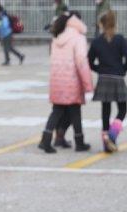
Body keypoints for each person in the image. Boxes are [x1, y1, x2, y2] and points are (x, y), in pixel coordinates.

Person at [39, 14, 93, 153]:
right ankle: (79, 142)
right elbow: (81, 62)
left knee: (56, 111)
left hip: (57, 80)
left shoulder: (57, 37)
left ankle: (45, 140)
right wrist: (88, 84)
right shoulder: (78, 38)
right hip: (72, 80)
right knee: (75, 112)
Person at [88, 10, 127, 153]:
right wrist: (122, 70)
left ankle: (105, 139)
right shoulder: (120, 39)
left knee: (105, 110)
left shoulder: (96, 41)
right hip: (118, 77)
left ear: (101, 24)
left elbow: (89, 61)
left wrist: (98, 69)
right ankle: (112, 136)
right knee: (123, 109)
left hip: (103, 78)